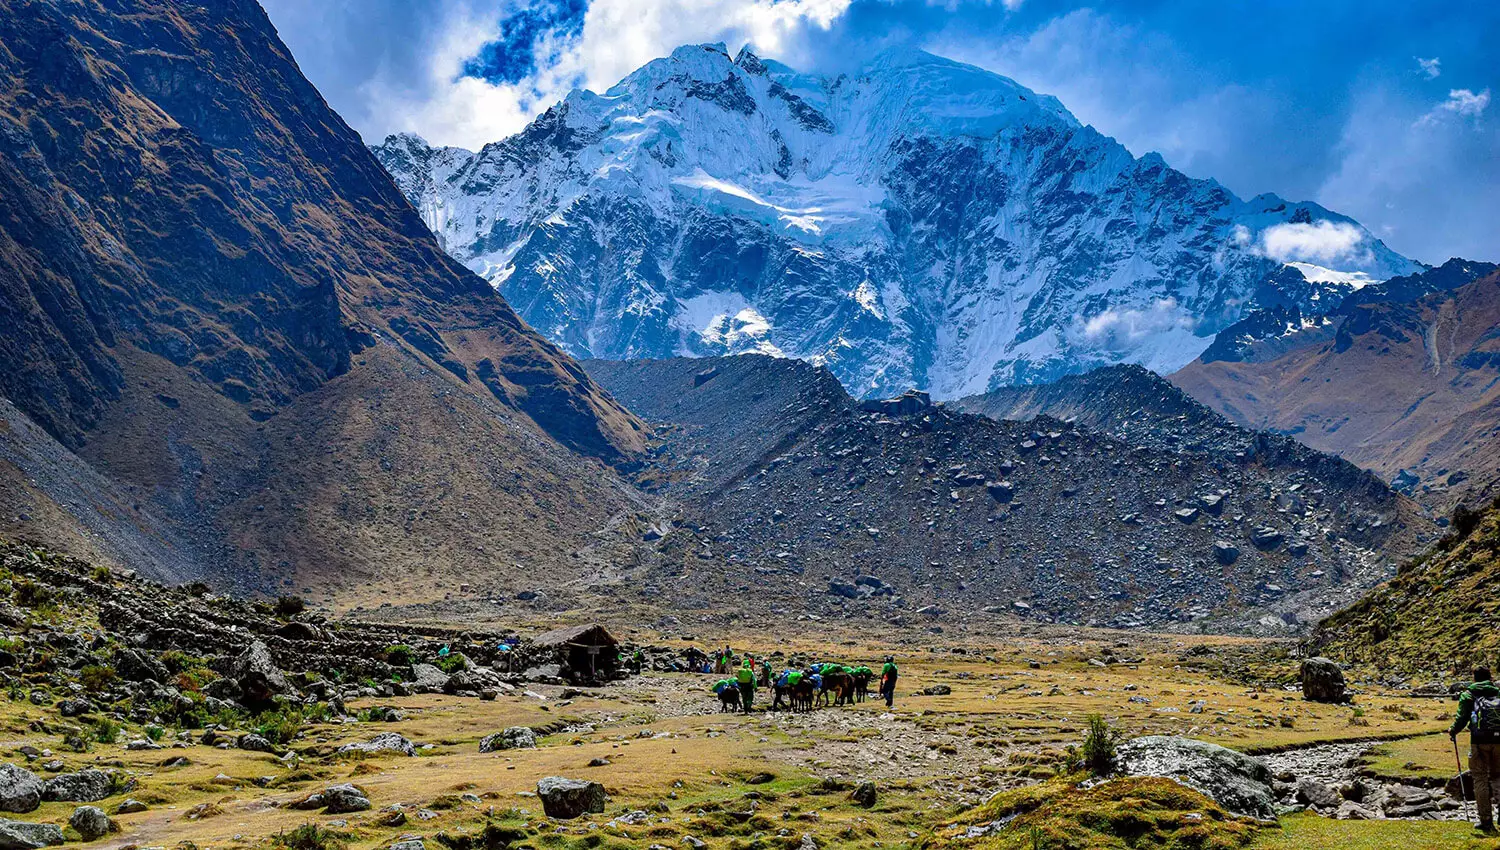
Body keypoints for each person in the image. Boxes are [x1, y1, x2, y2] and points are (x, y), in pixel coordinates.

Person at [1451, 666, 1500, 833]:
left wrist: (1453, 731)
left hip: (1478, 741)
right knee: (1498, 776)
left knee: (1480, 778)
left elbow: (1461, 718)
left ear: (1474, 678)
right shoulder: (1498, 693)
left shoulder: (1468, 695)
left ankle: (1486, 821)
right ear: (1490, 677)